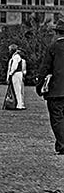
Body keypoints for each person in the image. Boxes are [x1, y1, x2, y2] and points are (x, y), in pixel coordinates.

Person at [37, 21, 64, 155]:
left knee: (57, 118)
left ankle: (62, 143)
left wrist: (39, 86)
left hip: (56, 90)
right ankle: (61, 143)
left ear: (56, 33)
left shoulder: (53, 47)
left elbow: (45, 68)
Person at [6, 45, 27, 110]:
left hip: (16, 74)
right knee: (19, 89)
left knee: (17, 89)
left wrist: (10, 73)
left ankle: (19, 105)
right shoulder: (16, 56)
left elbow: (14, 67)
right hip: (18, 74)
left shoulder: (16, 57)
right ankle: (20, 104)